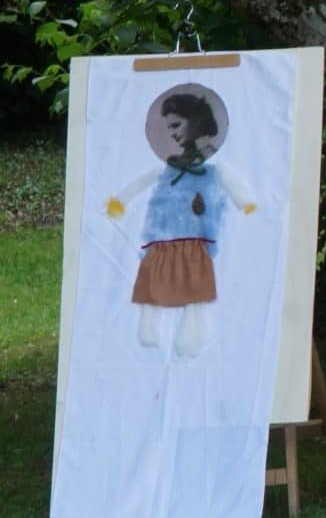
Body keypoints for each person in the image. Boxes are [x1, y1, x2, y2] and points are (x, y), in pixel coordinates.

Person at [106, 90, 255, 358]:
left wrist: (246, 204)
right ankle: (149, 325)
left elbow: (234, 187)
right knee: (152, 279)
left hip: (195, 236)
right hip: (161, 235)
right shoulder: (166, 169)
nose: (172, 133)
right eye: (168, 127)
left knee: (194, 286)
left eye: (176, 125)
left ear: (196, 122)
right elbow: (140, 182)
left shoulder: (213, 170)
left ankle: (195, 331)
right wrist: (120, 201)